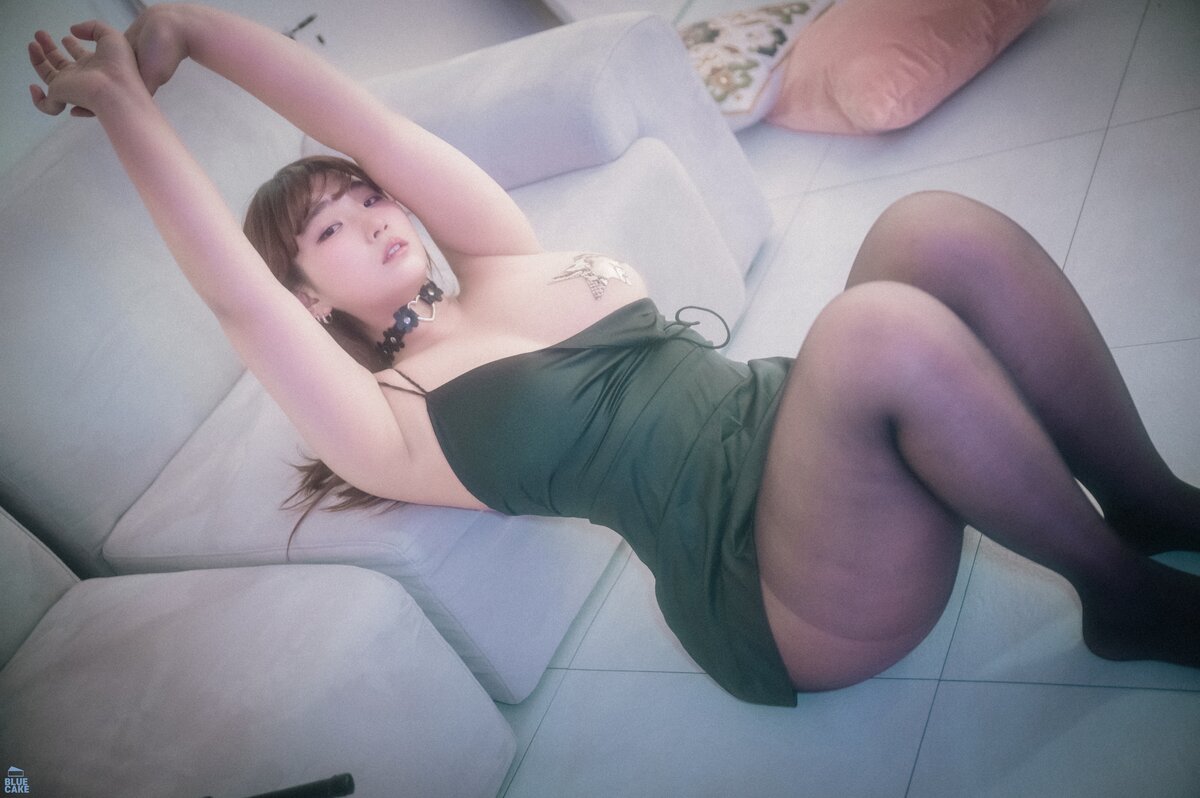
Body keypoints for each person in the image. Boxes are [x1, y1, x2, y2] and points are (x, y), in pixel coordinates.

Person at [27, 5, 1199, 708]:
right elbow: (234, 300)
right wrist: (128, 104)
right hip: (775, 587)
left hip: (812, 444)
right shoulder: (387, 422)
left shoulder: (495, 257)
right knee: (871, 326)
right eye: (329, 231)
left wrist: (191, 26)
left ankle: (1146, 502)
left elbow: (369, 125)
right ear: (306, 295)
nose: (373, 216)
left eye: (366, 197)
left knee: (933, 229)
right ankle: (1121, 598)